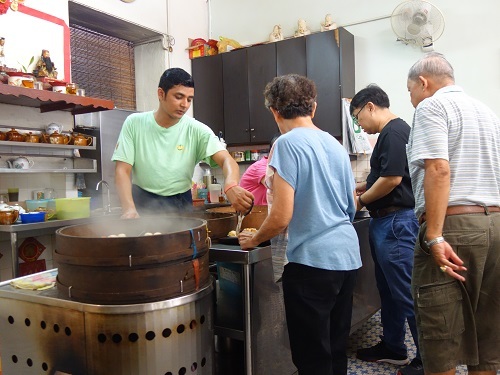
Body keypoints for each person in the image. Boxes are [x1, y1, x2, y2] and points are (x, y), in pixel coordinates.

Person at [239, 74, 361, 374]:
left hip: (312, 263)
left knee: (311, 356)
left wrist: (254, 239)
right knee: (334, 348)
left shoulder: (286, 144)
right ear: (314, 107)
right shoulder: (335, 145)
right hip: (346, 257)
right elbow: (352, 205)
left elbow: (281, 216)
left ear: (274, 111)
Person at [406, 52, 500, 375]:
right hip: (494, 225)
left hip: (453, 227)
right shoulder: (488, 113)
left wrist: (433, 234)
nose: (412, 99)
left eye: (410, 92)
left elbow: (438, 168)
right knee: (489, 340)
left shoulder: (432, 106)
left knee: (439, 334)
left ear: (423, 82)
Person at [112, 67, 253, 218]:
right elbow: (122, 170)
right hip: (142, 203)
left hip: (180, 204)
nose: (184, 104)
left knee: (180, 242)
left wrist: (231, 185)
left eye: (189, 99)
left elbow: (227, 160)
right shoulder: (134, 123)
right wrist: (128, 208)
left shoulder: (196, 130)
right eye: (178, 97)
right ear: (161, 94)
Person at [350, 85, 422, 375]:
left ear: (370, 106)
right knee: (389, 292)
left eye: (357, 118)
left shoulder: (393, 131)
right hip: (386, 223)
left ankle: (427, 361)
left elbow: (392, 180)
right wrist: (357, 187)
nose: (359, 125)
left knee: (405, 293)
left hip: (396, 224)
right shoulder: (389, 134)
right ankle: (393, 346)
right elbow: (382, 175)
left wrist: (360, 201)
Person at [239, 134, 279, 205]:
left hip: (262, 211)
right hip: (253, 212)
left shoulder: (276, 167)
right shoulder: (261, 166)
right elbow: (276, 187)